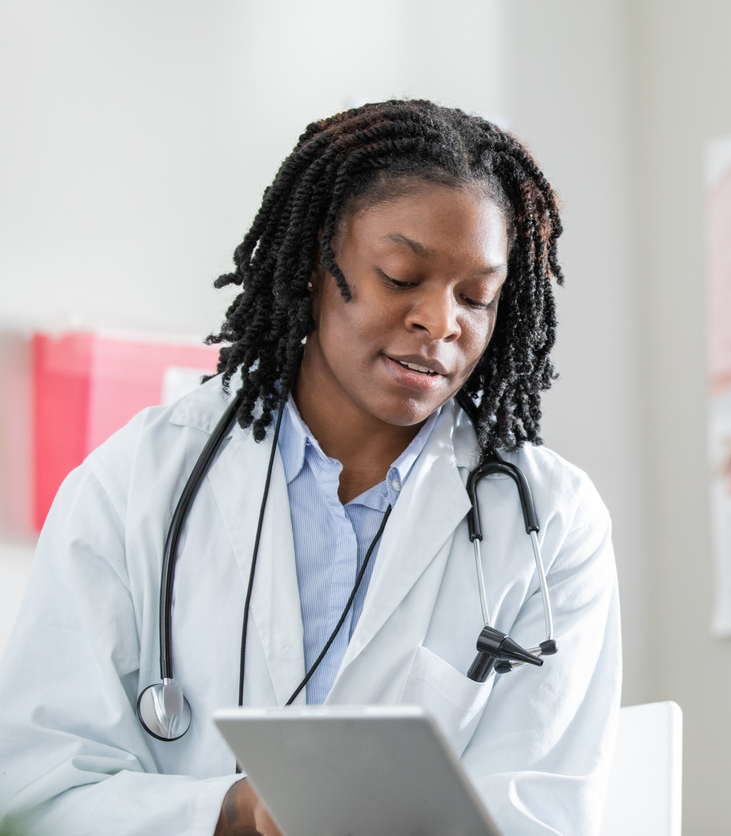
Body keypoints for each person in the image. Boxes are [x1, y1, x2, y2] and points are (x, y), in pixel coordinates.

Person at [0, 100, 621, 836]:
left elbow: (544, 809)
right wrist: (229, 814)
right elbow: (37, 795)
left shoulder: (550, 520)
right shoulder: (135, 483)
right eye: (399, 277)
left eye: (477, 297)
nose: (441, 321)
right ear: (315, 266)